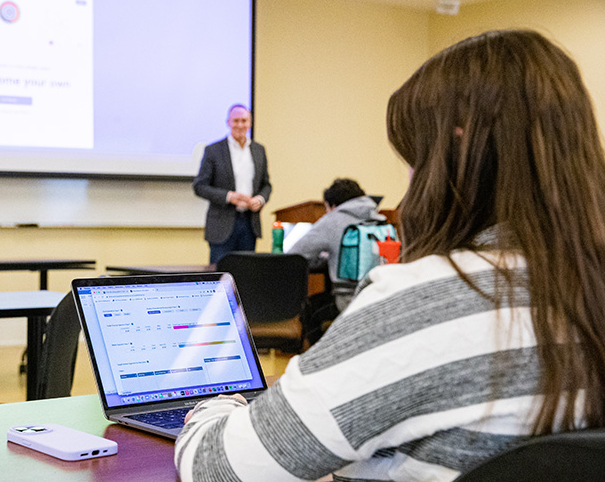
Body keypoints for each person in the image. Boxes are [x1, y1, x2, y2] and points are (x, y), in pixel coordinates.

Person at [175, 29, 605, 481]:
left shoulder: (424, 301)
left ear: (457, 149)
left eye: (414, 155)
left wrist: (218, 402)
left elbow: (215, 468)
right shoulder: (586, 288)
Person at [288, 178, 385, 344]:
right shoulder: (379, 218)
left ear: (332, 205)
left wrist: (325, 256)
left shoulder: (333, 219)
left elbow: (295, 254)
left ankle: (318, 360)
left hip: (347, 299)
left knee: (310, 309)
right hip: (379, 294)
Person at [193, 104, 271, 264]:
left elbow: (266, 185)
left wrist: (260, 200)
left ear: (250, 123)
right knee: (220, 276)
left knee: (246, 276)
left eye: (244, 121)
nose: (240, 125)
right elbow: (199, 186)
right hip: (222, 225)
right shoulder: (213, 150)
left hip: (249, 224)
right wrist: (229, 197)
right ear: (228, 122)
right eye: (236, 121)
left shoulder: (259, 150)